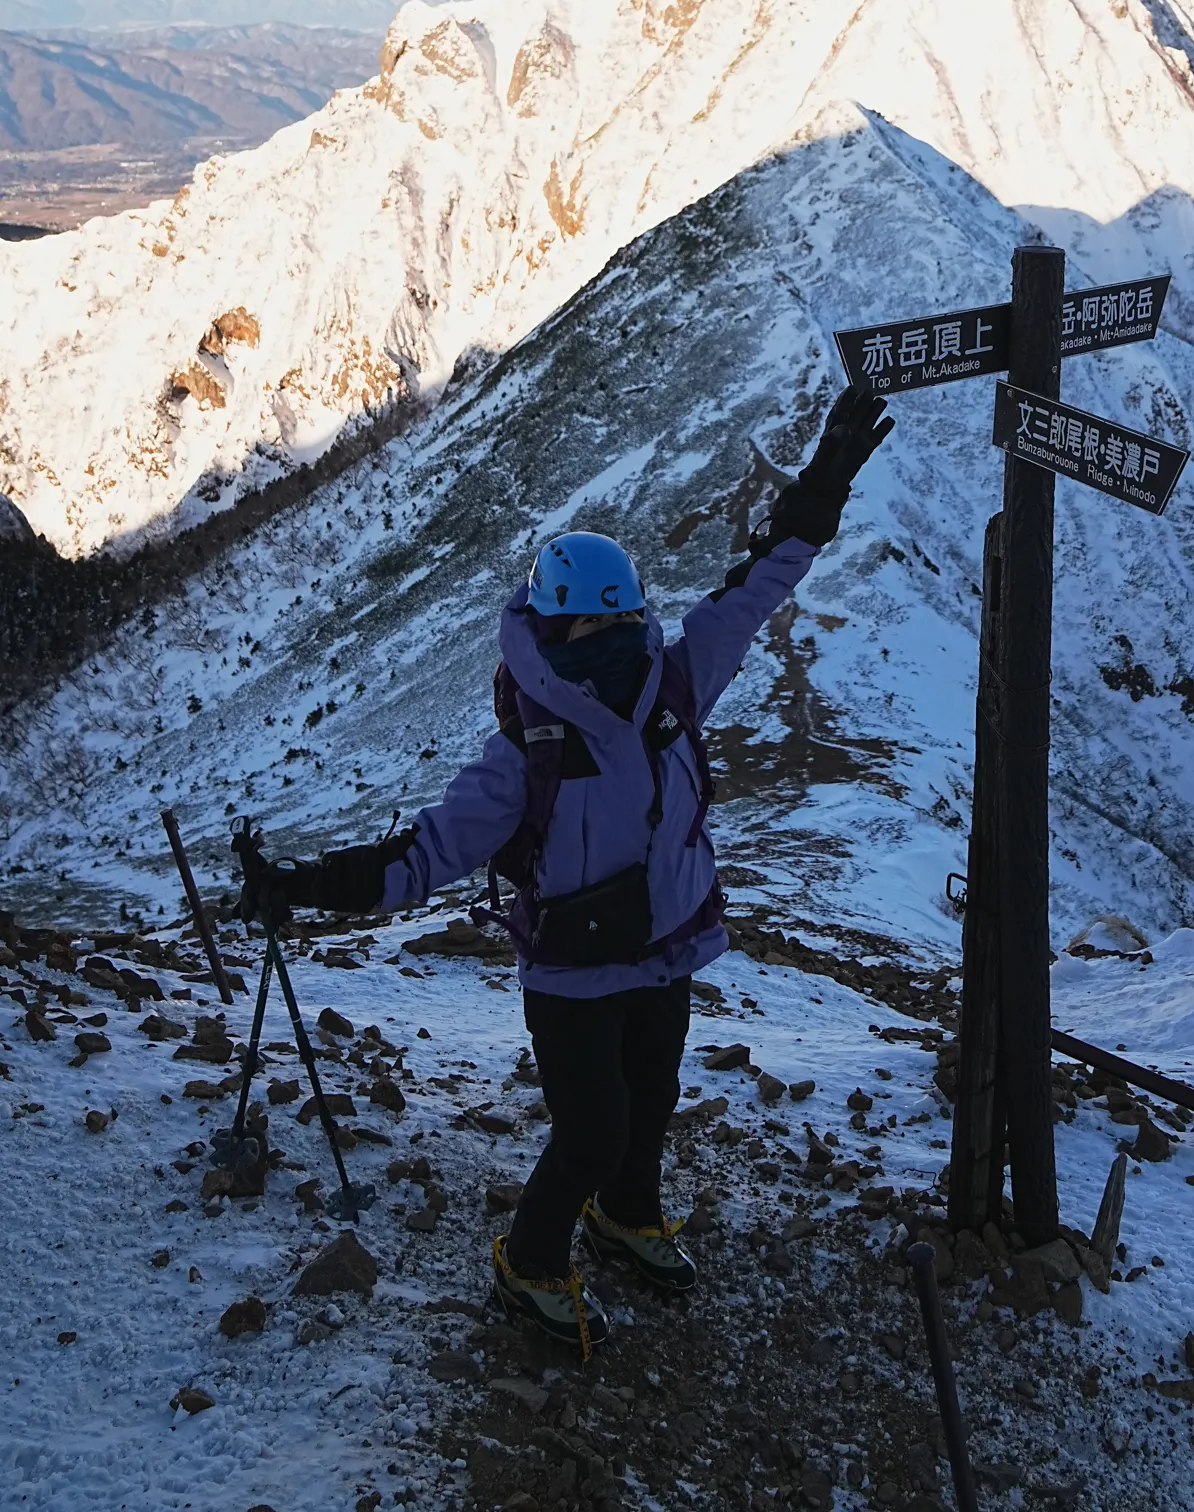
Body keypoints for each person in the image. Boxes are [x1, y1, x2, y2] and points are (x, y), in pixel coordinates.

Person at [235, 384, 892, 1351]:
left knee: (652, 1103)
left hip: (666, 948)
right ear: (566, 632)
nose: (604, 640)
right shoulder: (525, 753)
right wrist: (300, 887)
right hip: (573, 973)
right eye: (589, 627)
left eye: (609, 623)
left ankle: (627, 1219)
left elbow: (756, 588)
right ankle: (531, 1262)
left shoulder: (676, 681)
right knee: (591, 1131)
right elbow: (423, 857)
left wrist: (822, 485)